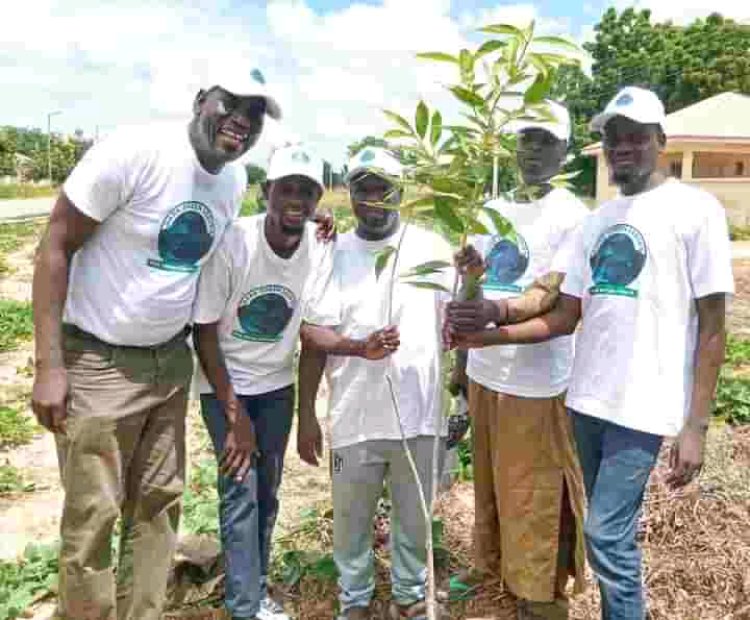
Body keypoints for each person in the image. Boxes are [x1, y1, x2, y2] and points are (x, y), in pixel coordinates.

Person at [447, 86, 734, 619]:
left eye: (635, 137)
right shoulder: (601, 219)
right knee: (601, 531)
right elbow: (563, 311)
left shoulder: (696, 210)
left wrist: (697, 424)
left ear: (660, 141)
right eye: (612, 137)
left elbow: (714, 326)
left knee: (606, 532)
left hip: (642, 405)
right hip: (586, 400)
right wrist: (488, 327)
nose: (622, 147)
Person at [31, 70, 281, 620]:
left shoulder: (232, 182)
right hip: (98, 361)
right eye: (231, 102)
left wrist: (314, 226)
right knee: (94, 516)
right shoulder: (133, 152)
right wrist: (50, 364)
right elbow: (55, 245)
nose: (242, 119)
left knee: (158, 507)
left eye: (255, 113)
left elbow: (234, 250)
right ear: (200, 101)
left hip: (169, 363)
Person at [447, 101, 588, 620]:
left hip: (537, 384)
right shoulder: (490, 208)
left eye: (546, 142)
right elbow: (472, 285)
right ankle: (489, 564)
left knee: (534, 491)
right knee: (489, 480)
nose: (533, 151)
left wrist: (493, 320)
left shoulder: (572, 215)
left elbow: (548, 296)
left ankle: (539, 595)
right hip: (486, 375)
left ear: (564, 151)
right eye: (527, 139)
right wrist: (461, 370)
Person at [298, 147, 451, 620]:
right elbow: (311, 332)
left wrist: (458, 400)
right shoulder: (331, 251)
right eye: (362, 188)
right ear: (350, 195)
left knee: (414, 521)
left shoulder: (432, 249)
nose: (373, 198)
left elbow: (454, 329)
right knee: (350, 523)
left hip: (420, 416)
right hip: (353, 417)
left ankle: (409, 598)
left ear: (399, 192)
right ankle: (355, 601)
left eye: (382, 187)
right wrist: (307, 415)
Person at [192, 144, 333, 620]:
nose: (296, 198)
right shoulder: (234, 244)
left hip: (276, 386)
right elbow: (204, 330)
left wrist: (310, 412)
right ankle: (243, 606)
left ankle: (256, 586)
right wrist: (234, 417)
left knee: (267, 491)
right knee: (240, 491)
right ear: (266, 191)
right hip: (224, 384)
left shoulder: (320, 245)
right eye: (286, 188)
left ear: (319, 199)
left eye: (307, 191)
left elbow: (313, 333)